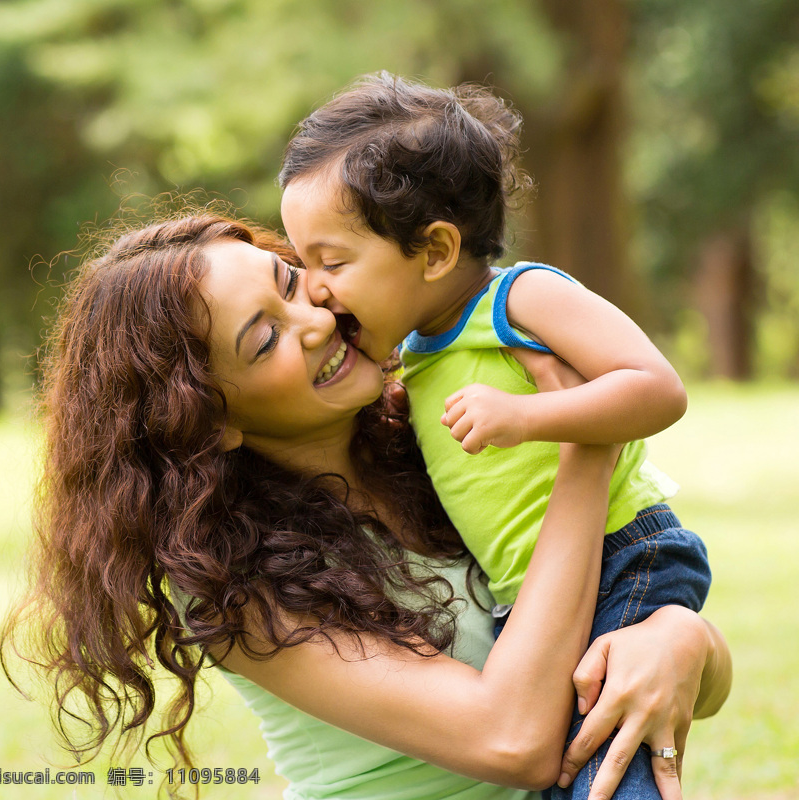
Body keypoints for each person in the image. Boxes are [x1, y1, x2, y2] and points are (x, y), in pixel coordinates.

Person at [1, 213, 731, 800]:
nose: (313, 318)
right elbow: (512, 740)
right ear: (207, 420)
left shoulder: (440, 433)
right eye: (265, 338)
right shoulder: (235, 584)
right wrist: (584, 440)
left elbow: (629, 630)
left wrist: (680, 639)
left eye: (291, 281)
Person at [278, 74, 712, 798]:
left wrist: (531, 417)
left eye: (334, 262)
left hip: (621, 555)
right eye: (302, 264)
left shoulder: (519, 300)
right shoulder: (413, 354)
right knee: (571, 764)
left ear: (436, 250)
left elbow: (657, 387)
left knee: (606, 767)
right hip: (535, 593)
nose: (316, 290)